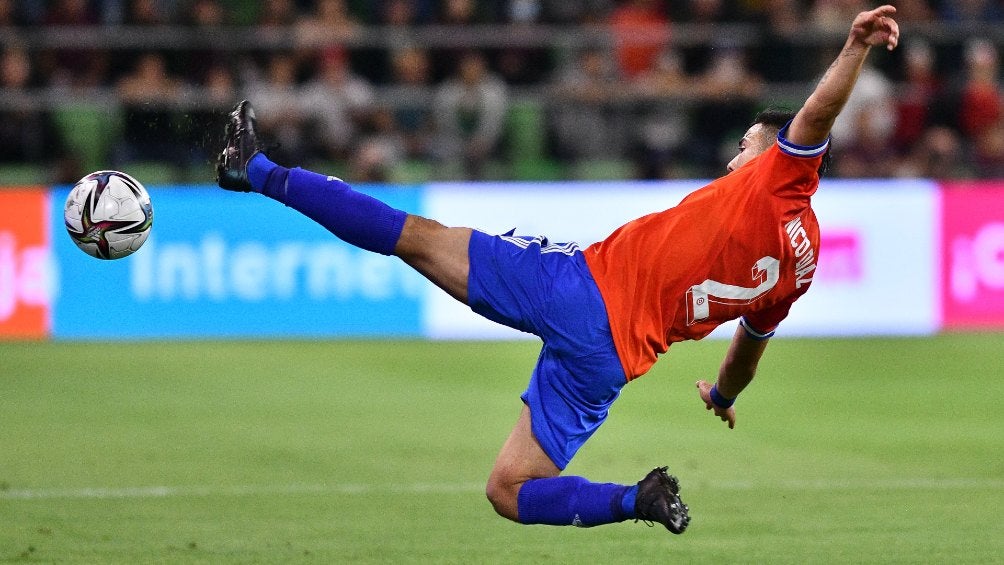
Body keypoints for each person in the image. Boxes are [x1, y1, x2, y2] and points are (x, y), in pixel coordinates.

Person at [215, 6, 900, 533]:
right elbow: (748, 352)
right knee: (508, 490)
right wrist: (722, 399)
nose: (733, 161)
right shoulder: (800, 265)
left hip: (582, 292)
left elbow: (817, 112)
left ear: (777, 152)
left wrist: (855, 44)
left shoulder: (780, 176)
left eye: (745, 148)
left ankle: (258, 169)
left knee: (416, 237)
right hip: (612, 361)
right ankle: (636, 499)